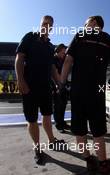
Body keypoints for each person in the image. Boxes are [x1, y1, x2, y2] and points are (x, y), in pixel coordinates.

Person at [60, 15, 110, 174]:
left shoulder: (80, 35)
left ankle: (89, 160)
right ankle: (103, 164)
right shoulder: (107, 38)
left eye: (86, 23)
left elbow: (68, 61)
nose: (84, 26)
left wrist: (62, 84)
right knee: (97, 129)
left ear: (94, 23)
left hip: (77, 90)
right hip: (97, 91)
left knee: (79, 128)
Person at [15, 15, 64, 165]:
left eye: (49, 24)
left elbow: (52, 68)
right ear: (40, 24)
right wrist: (20, 80)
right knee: (32, 119)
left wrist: (58, 83)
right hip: (29, 87)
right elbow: (19, 58)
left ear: (52, 27)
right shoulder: (30, 37)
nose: (46, 26)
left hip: (45, 88)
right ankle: (37, 148)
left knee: (48, 116)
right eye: (44, 23)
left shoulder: (50, 46)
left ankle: (51, 140)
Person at [52, 44, 71, 133]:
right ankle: (58, 125)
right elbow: (54, 73)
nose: (64, 54)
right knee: (57, 106)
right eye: (63, 52)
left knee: (63, 105)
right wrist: (59, 84)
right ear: (57, 51)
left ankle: (62, 122)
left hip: (63, 85)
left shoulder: (62, 60)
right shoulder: (53, 59)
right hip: (56, 85)